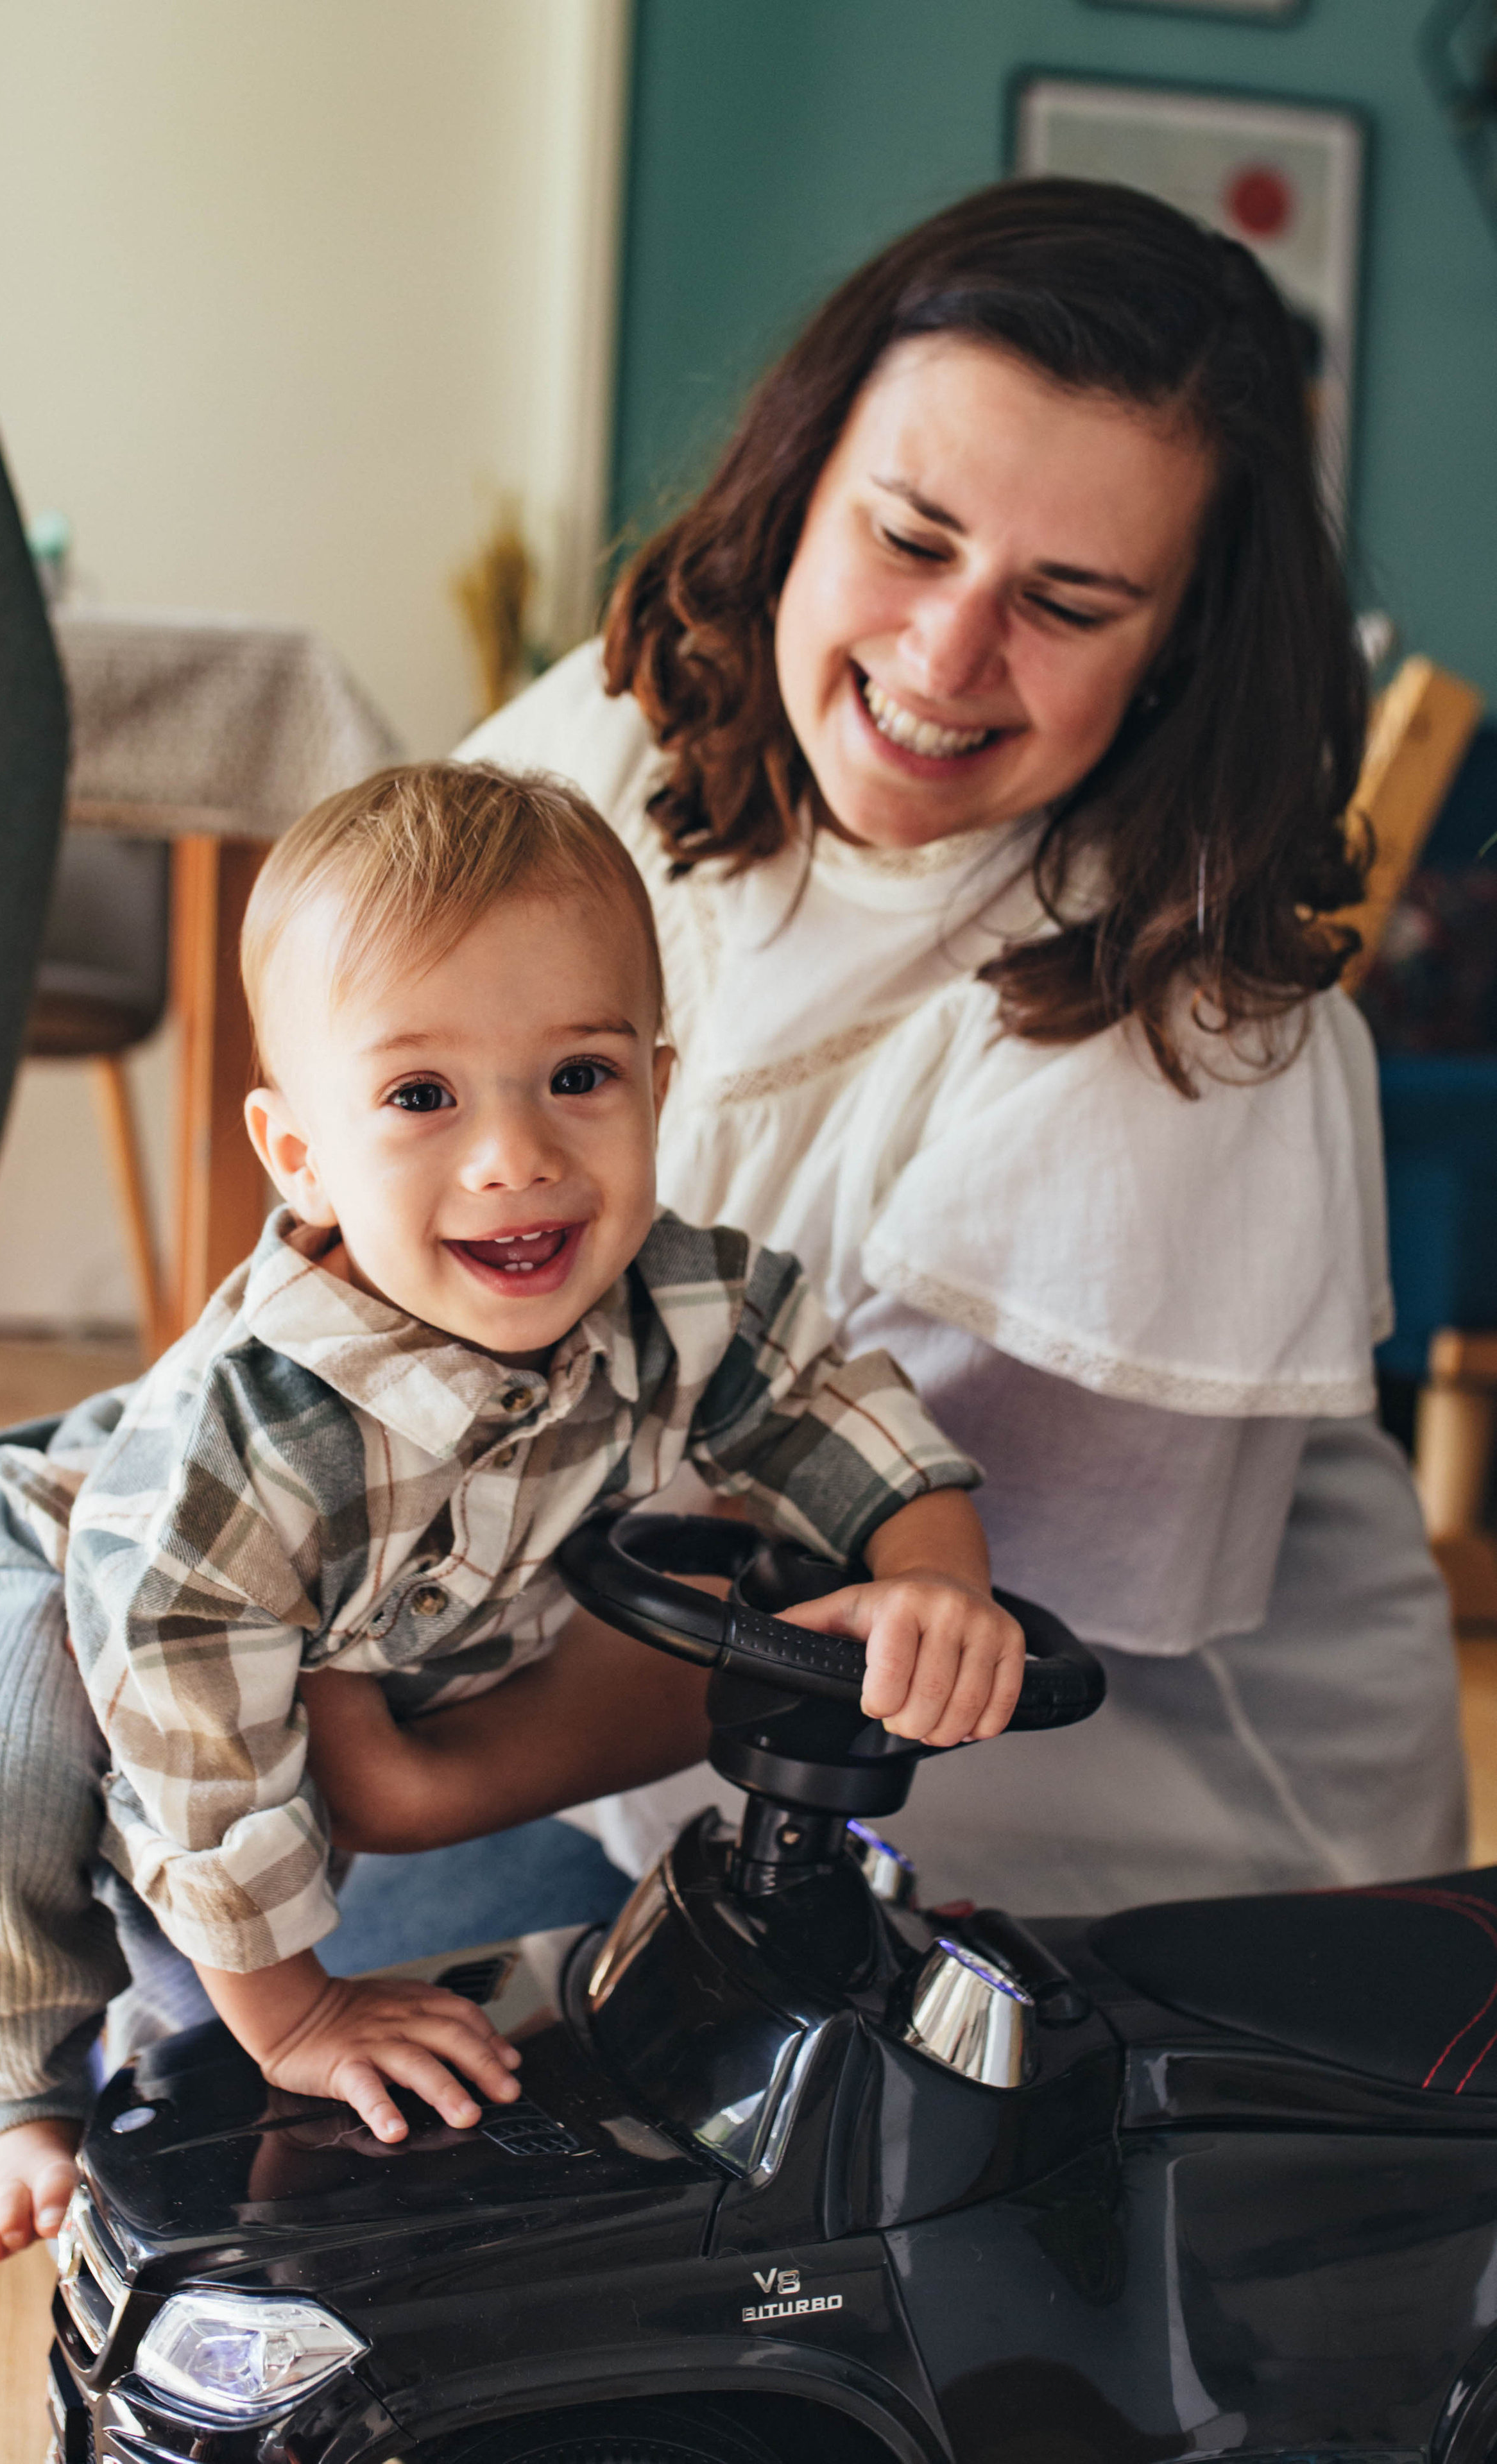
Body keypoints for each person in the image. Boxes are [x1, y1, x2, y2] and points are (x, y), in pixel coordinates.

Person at [452, 173, 1466, 1900]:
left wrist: (319, 1751)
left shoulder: (1191, 1034)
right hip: (592, 1688)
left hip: (1094, 1863)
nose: (945, 651)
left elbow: (835, 1629)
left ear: (1178, 650)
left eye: (1068, 603)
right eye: (910, 539)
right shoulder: (631, 734)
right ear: (802, 481)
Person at [0, 757, 1016, 2270]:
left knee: (227, 1955)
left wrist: (931, 1574)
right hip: (126, 1588)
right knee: (3, 1779)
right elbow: (201, 1768)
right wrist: (300, 2011)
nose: (517, 1157)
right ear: (297, 1154)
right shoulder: (246, 1444)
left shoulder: (676, 1297)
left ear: (656, 1086)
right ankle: (10, 2091)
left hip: (376, 1624)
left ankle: (188, 2044)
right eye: (420, 1097)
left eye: (578, 1077)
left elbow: (825, 1403)